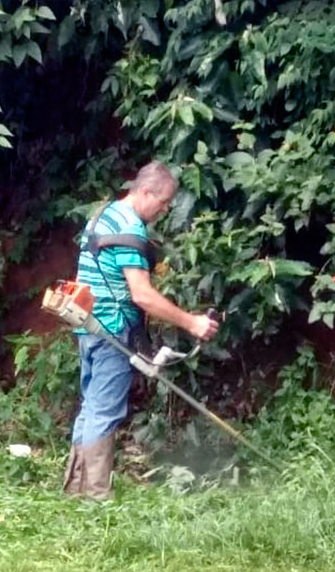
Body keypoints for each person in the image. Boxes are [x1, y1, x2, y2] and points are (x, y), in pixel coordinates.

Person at [62, 161, 219, 500]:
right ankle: (96, 498)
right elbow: (142, 295)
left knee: (91, 406)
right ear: (146, 192)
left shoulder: (104, 214)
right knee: (104, 410)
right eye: (162, 203)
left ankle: (76, 491)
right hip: (112, 331)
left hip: (88, 325)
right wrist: (192, 322)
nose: (163, 211)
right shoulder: (131, 229)